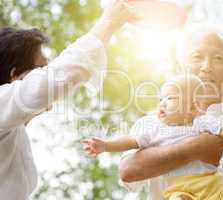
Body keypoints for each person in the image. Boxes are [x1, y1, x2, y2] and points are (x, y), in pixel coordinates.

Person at [119, 26, 223, 200]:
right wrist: (194, 149)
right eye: (197, 57)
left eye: (217, 58)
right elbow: (128, 171)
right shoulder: (151, 123)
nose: (206, 67)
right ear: (181, 67)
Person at [0, 1, 137, 199]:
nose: (47, 74)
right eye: (41, 69)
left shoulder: (14, 132)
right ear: (15, 76)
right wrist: (107, 23)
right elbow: (53, 80)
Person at [81, 74, 223, 200]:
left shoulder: (201, 123)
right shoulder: (155, 129)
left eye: (170, 98)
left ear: (192, 107)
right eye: (161, 99)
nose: (162, 103)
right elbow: (130, 141)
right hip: (181, 189)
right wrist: (105, 145)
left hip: (215, 189)